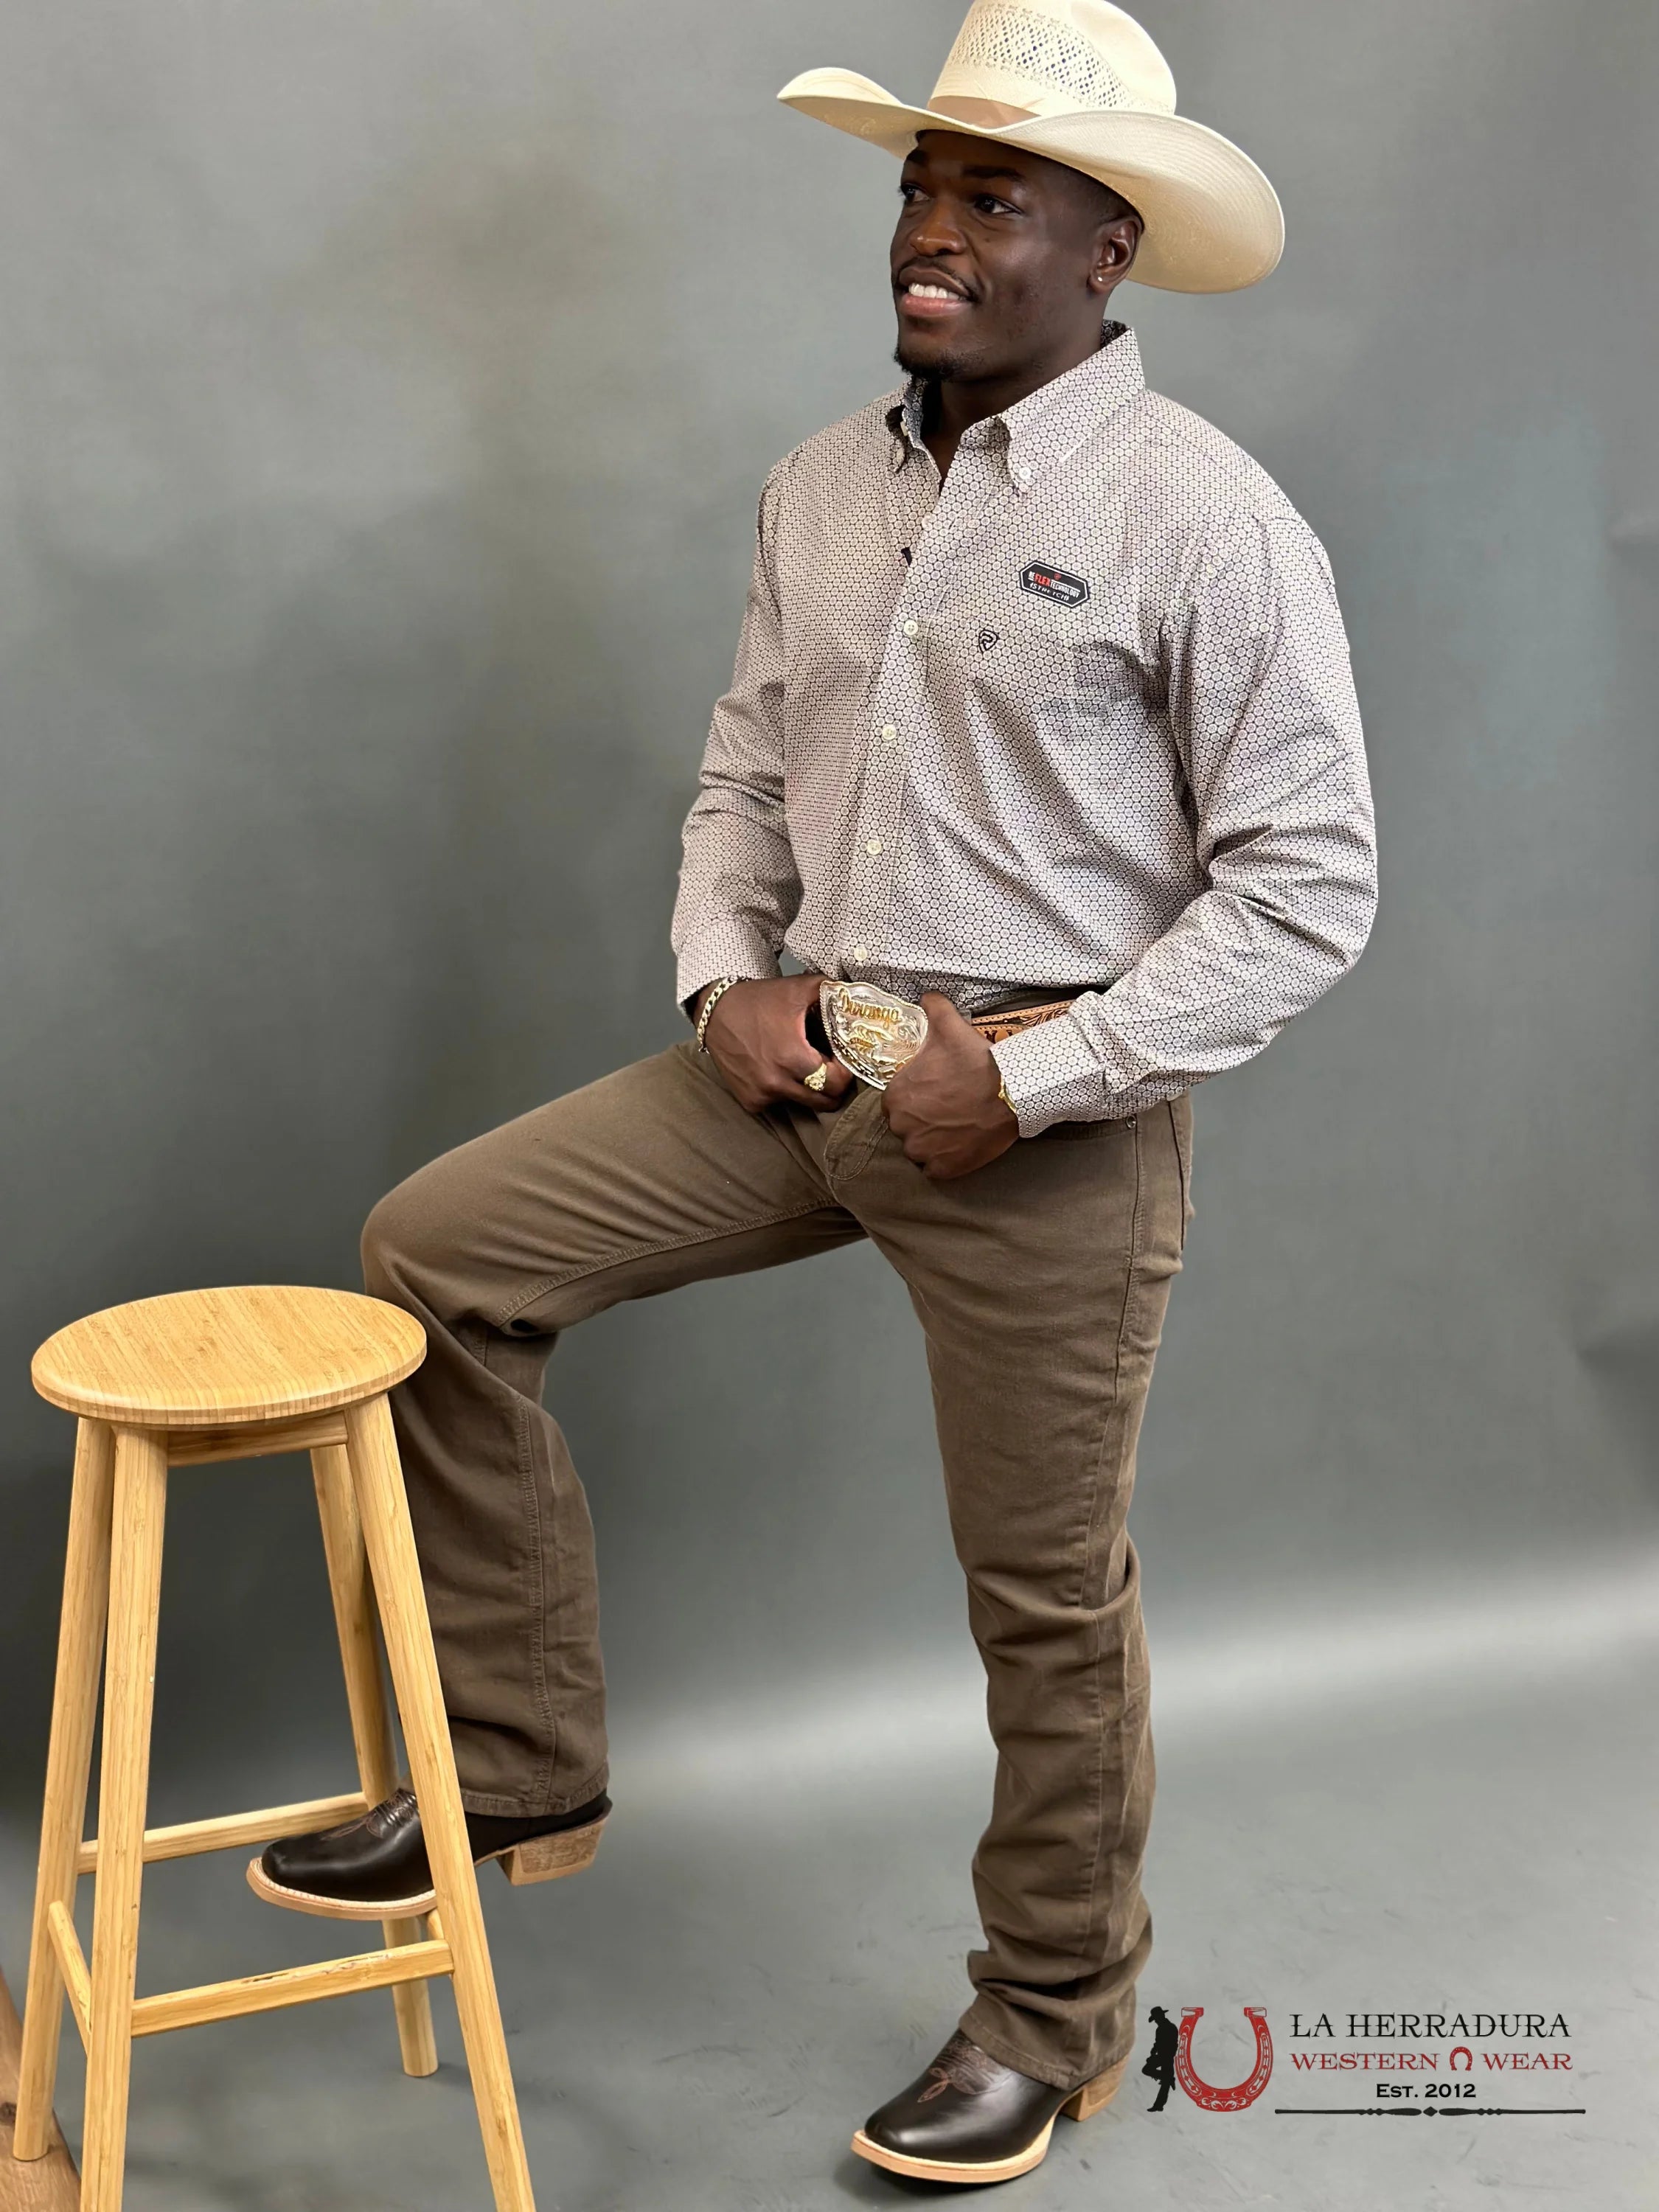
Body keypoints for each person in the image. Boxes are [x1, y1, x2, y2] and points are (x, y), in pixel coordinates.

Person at [254, 0, 1376, 2186]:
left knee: (1041, 1593)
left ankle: (1050, 2015)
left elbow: (1305, 886)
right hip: (808, 1057)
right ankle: (513, 1764)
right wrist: (720, 982)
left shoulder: (1204, 519)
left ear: (1108, 249)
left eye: (991, 198)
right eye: (920, 189)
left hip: (1041, 1111)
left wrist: (1034, 1077)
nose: (930, 230)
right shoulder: (821, 489)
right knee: (436, 1261)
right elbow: (747, 775)